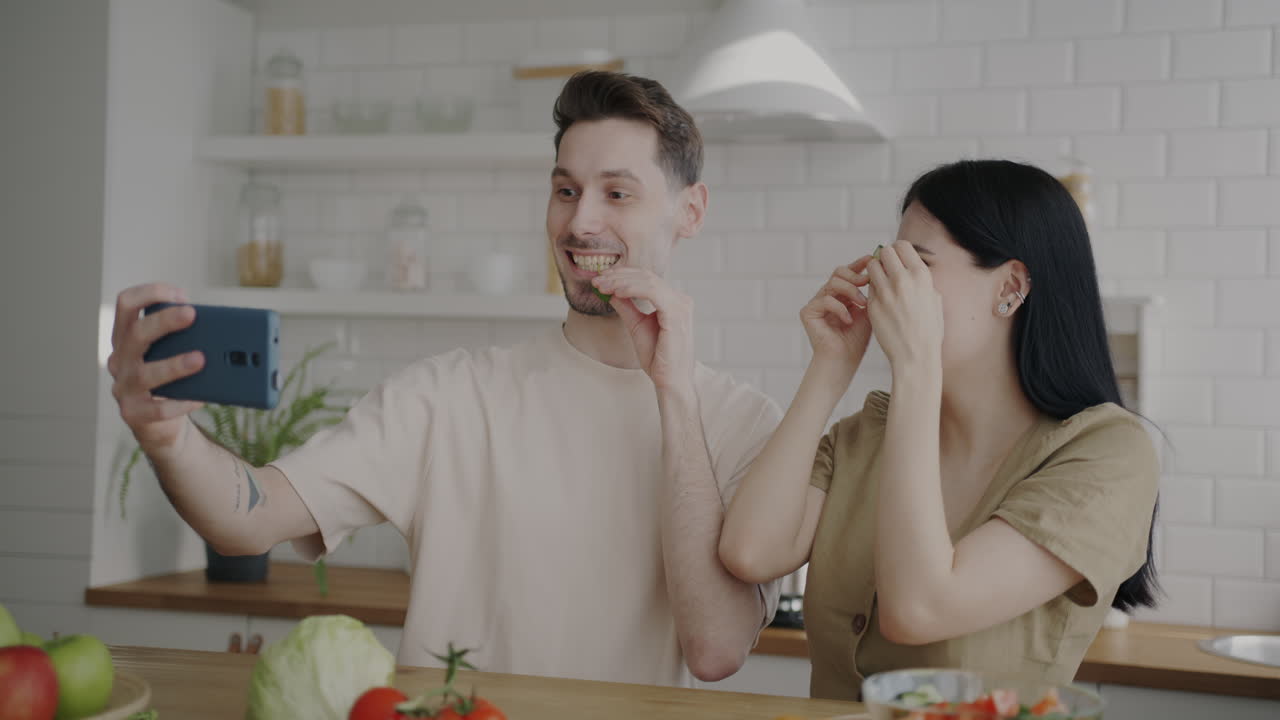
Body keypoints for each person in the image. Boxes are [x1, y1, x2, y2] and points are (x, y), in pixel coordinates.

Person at [107, 71, 782, 687]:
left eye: (617, 193)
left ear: (690, 211)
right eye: (565, 190)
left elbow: (716, 651)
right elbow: (247, 519)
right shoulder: (448, 397)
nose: (579, 222)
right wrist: (167, 438)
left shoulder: (743, 424)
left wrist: (672, 389)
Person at [719, 159, 1159, 701]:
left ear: (1011, 287)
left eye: (917, 267)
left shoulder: (1107, 453)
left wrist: (916, 368)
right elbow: (751, 551)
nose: (890, 289)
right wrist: (830, 365)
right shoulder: (872, 430)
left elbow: (919, 610)